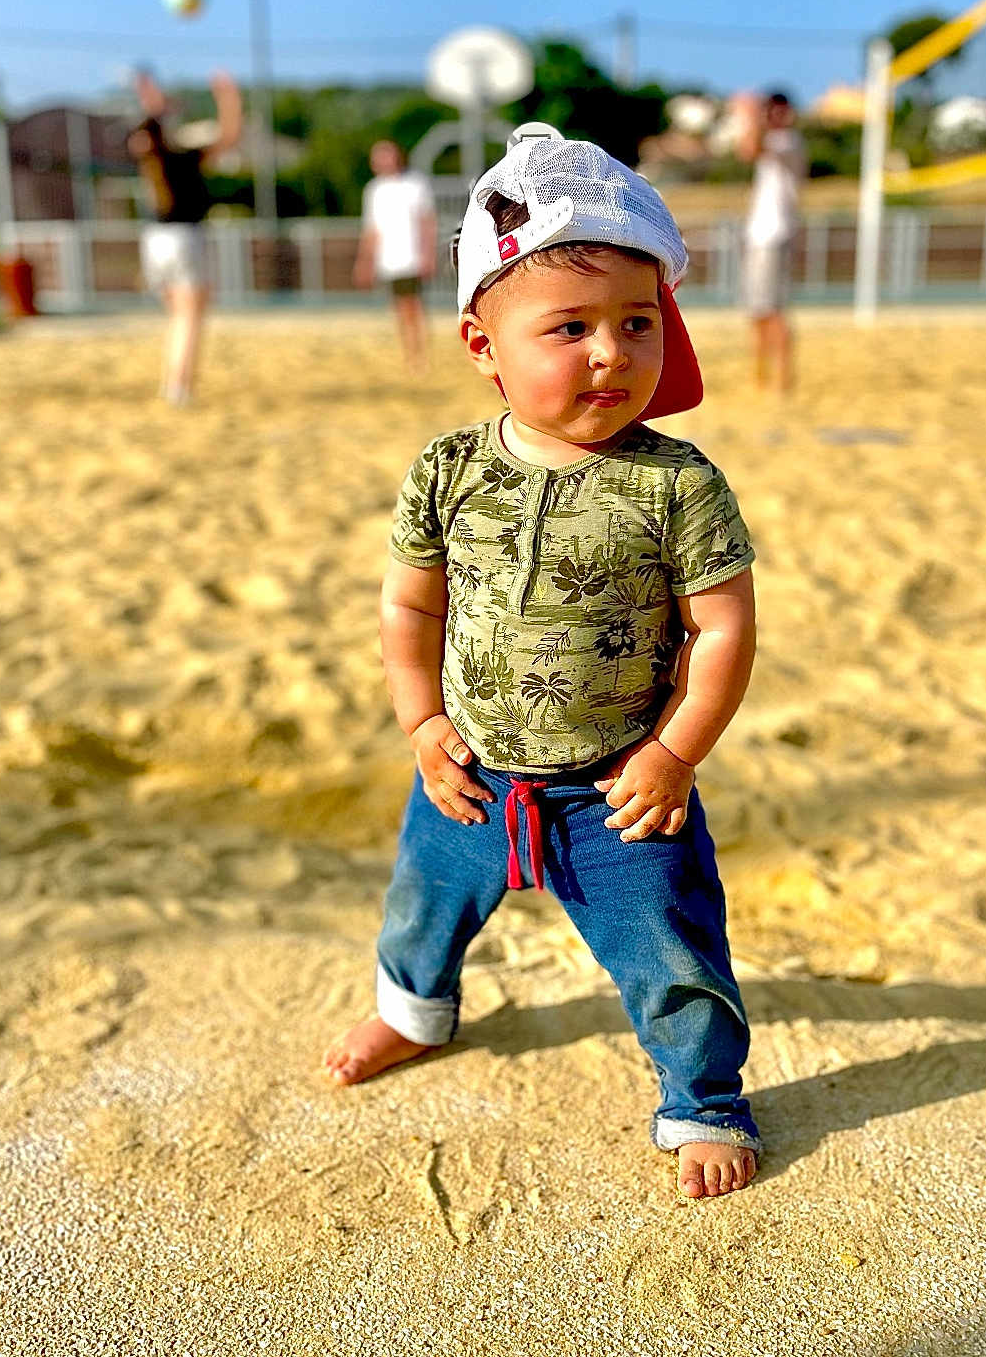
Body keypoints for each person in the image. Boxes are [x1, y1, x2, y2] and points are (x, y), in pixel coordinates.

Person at [324, 126, 761, 1201]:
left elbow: (723, 631)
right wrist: (422, 724)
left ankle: (703, 1098)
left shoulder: (678, 484)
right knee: (422, 908)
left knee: (672, 949)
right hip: (468, 770)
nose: (612, 352)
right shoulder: (447, 470)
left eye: (638, 322)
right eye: (571, 327)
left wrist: (675, 753)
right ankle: (411, 1014)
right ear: (483, 344)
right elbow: (410, 605)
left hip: (620, 788)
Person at [127, 68, 242, 408]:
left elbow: (152, 121)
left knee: (177, 317)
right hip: (184, 239)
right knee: (190, 318)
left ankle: (171, 383)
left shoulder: (151, 158)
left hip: (153, 240)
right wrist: (228, 97)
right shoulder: (183, 158)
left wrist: (150, 96)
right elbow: (230, 135)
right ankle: (179, 387)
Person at [735, 90, 805, 395]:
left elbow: (751, 148)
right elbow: (748, 151)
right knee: (758, 310)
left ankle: (782, 378)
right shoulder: (779, 141)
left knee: (773, 310)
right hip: (761, 235)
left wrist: (750, 116)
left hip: (774, 235)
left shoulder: (790, 141)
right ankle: (762, 375)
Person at [355, 140, 436, 367]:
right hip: (388, 260)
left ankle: (420, 352)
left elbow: (427, 222)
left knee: (414, 306)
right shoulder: (373, 190)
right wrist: (365, 262)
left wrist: (428, 255)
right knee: (399, 308)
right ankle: (409, 352)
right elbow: (371, 230)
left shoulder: (415, 184)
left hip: (411, 257)